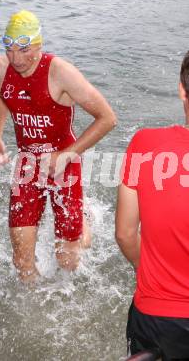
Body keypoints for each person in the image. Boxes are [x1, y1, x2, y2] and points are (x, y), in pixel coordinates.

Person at [0, 10, 116, 283]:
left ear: (38, 44)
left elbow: (107, 118)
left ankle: (83, 220)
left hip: (64, 164)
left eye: (24, 49)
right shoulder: (0, 68)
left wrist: (66, 155)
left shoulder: (61, 73)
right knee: (21, 261)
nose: (16, 58)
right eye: (9, 49)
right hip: (27, 165)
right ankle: (30, 319)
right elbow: (2, 92)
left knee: (67, 262)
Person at [116, 52, 189, 360]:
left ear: (182, 90)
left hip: (156, 317)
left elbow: (125, 234)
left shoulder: (144, 144)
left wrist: (146, 269)